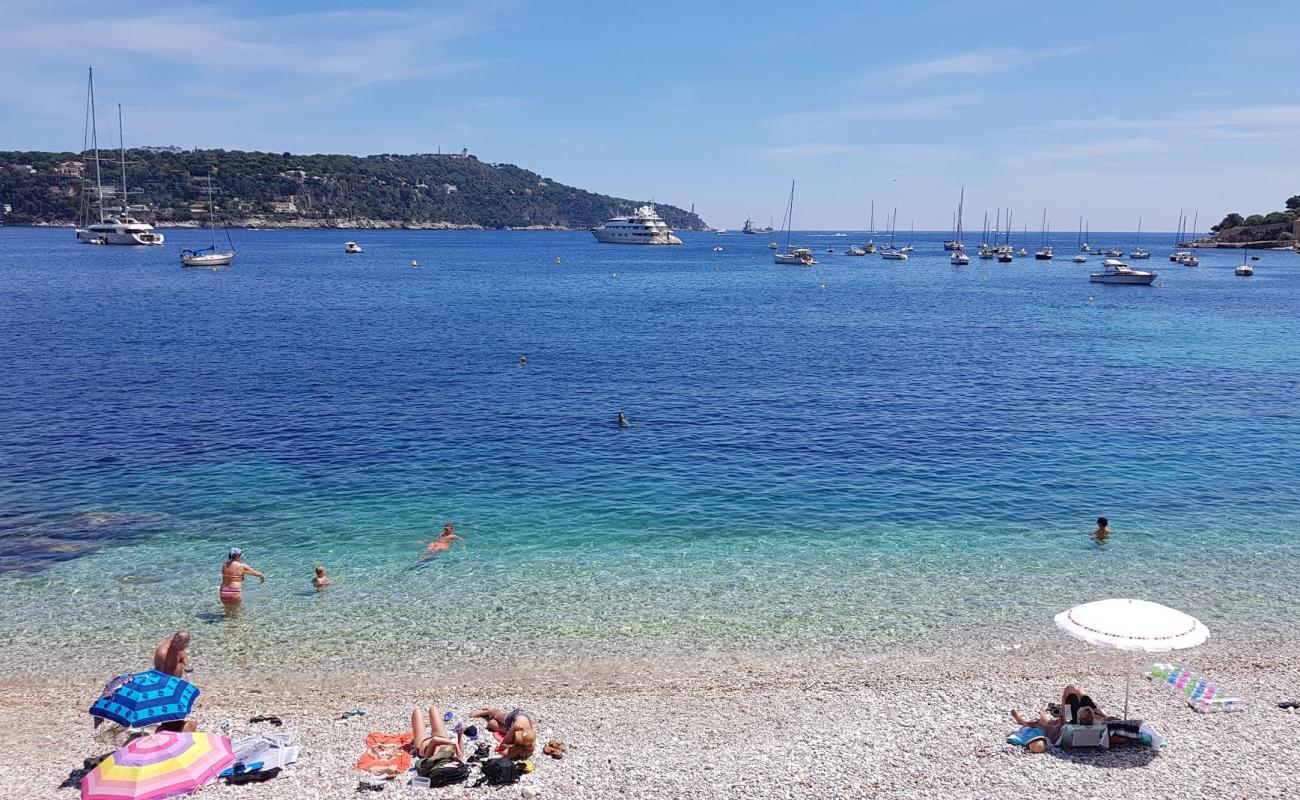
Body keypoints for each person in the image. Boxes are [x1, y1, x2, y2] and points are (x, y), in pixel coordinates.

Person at [470, 707, 537, 759]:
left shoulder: (531, 738)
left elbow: (505, 753)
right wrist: (517, 747)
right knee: (497, 716)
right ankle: (487, 711)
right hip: (514, 717)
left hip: (512, 727)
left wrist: (518, 748)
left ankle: (498, 722)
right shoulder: (517, 727)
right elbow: (502, 746)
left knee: (491, 724)